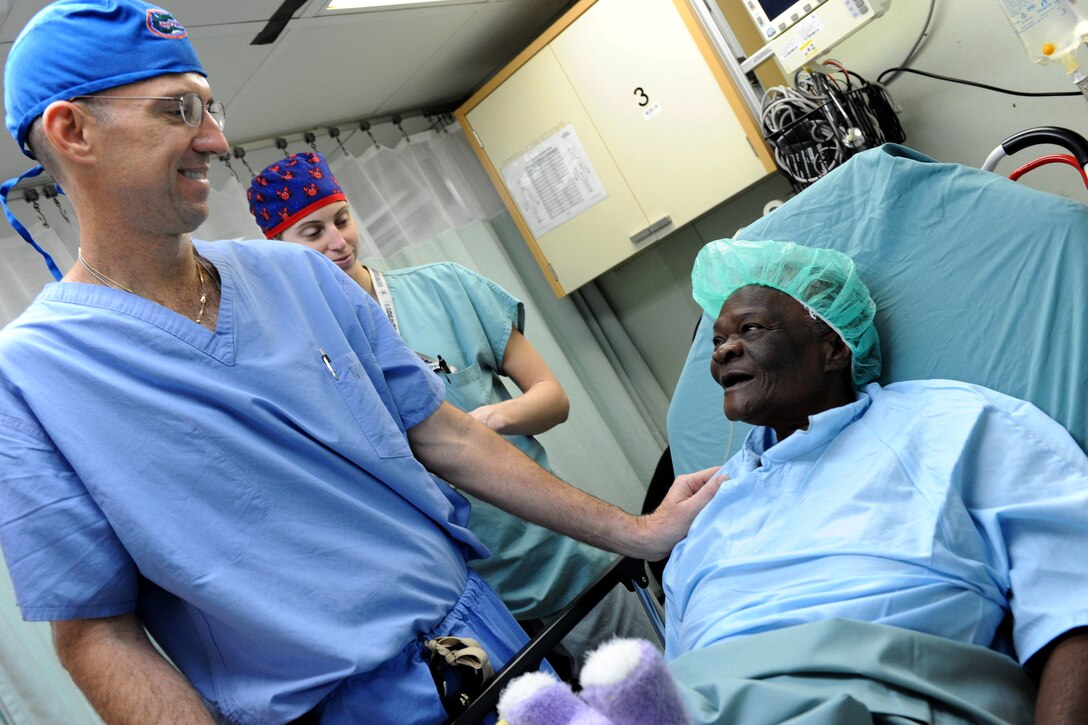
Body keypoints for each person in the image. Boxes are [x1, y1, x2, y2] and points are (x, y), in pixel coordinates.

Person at [0, 2, 720, 724]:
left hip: (489, 646)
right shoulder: (32, 379)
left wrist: (635, 531)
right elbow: (96, 630)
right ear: (73, 130)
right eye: (179, 109)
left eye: (211, 107)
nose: (216, 139)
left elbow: (447, 435)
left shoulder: (297, 277)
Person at [245, 151, 660, 670]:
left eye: (342, 219)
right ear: (279, 251)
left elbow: (552, 398)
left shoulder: (445, 289)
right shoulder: (310, 360)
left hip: (561, 559)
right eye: (313, 233)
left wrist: (486, 424)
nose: (338, 241)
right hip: (469, 611)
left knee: (657, 694)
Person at [660, 238, 1088, 722]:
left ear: (833, 349)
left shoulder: (953, 423)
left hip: (880, 697)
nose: (724, 351)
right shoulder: (706, 510)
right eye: (717, 341)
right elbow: (675, 676)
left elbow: (1075, 596)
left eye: (750, 328)